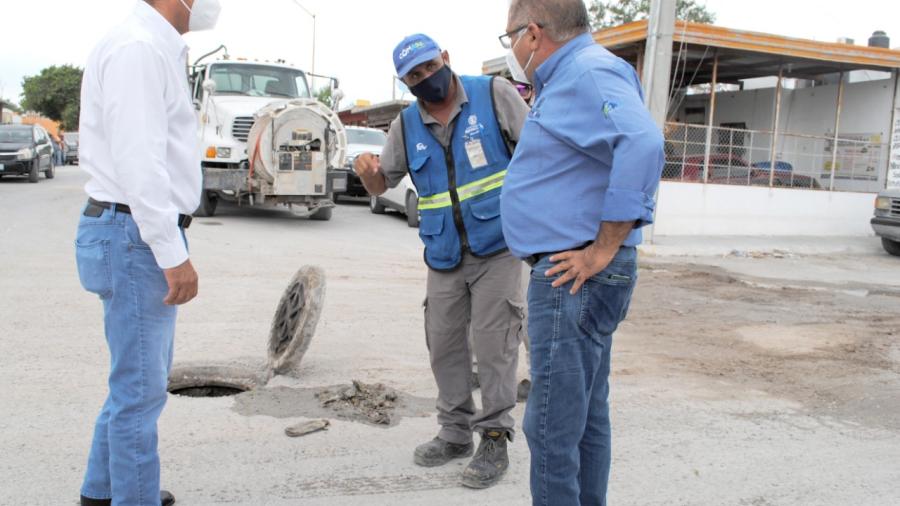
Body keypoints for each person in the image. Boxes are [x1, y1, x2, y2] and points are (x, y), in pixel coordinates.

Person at [500, 1, 665, 504]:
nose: (510, 50)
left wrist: (601, 249)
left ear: (533, 33)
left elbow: (642, 142)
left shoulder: (588, 72)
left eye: (509, 39)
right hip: (576, 273)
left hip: (575, 275)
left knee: (551, 428)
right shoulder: (570, 79)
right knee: (585, 418)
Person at [354, 33, 529, 489]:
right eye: (414, 76)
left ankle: (493, 436)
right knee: (445, 346)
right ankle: (455, 434)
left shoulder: (494, 95)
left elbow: (536, 158)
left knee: (495, 346)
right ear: (405, 83)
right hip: (444, 254)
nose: (426, 79)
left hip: (501, 247)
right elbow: (381, 184)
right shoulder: (406, 125)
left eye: (430, 67)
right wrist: (371, 176)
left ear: (446, 59)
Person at [75, 0, 219, 504]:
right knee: (140, 391)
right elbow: (140, 162)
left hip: (129, 228)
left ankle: (100, 492)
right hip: (134, 230)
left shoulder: (151, 44)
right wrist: (172, 252)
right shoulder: (139, 48)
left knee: (133, 381)